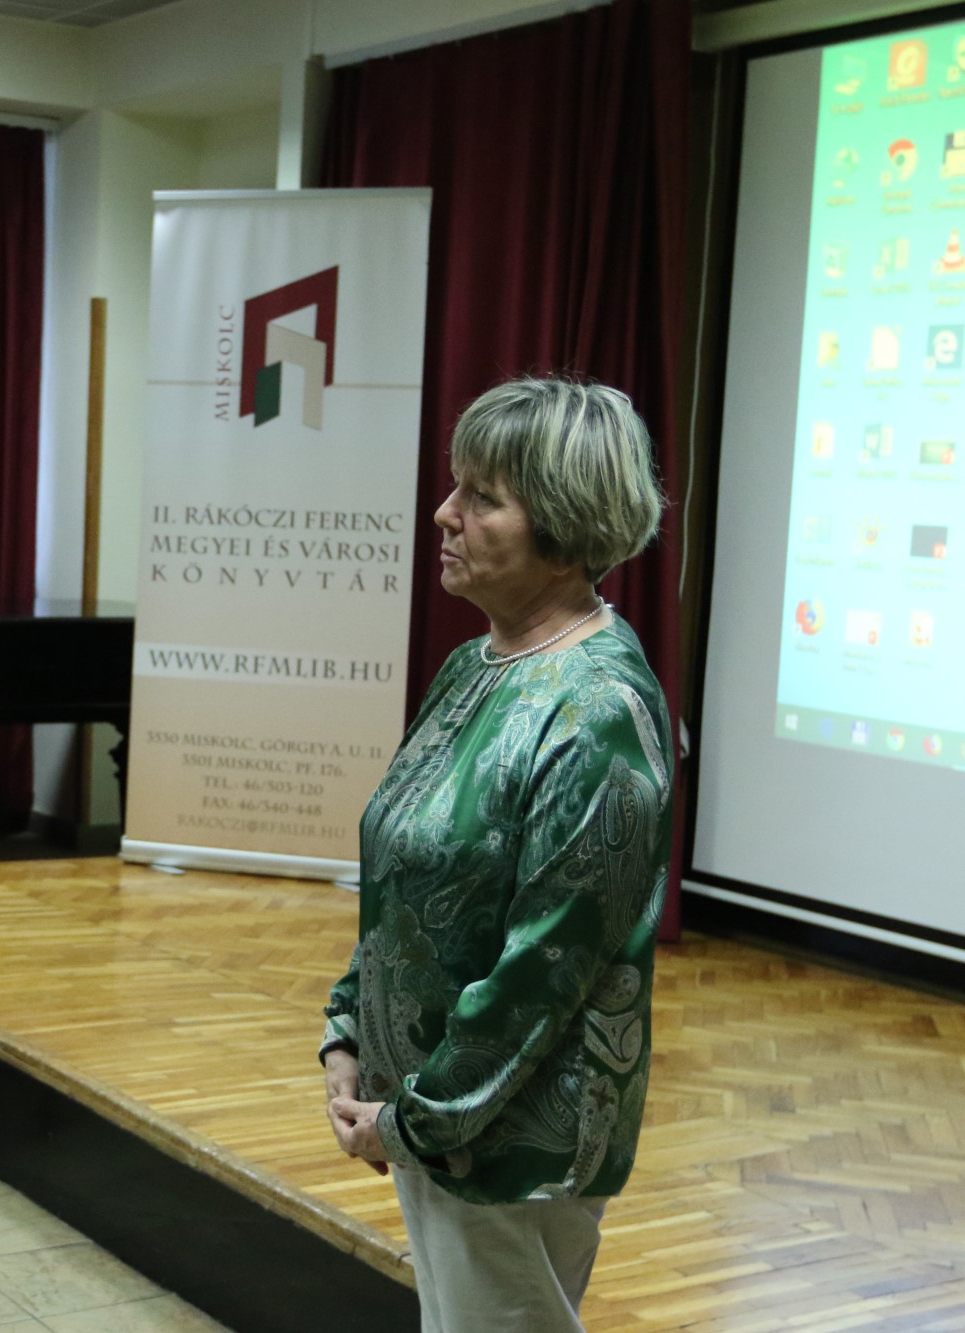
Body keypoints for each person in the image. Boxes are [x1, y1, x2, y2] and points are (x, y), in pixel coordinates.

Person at [320, 377, 672, 1333]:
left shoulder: (596, 708)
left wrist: (415, 1118)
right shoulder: (476, 664)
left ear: (564, 526)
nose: (445, 513)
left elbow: (542, 970)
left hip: (513, 1138)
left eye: (482, 497)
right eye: (456, 486)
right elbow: (405, 875)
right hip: (434, 1108)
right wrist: (349, 1032)